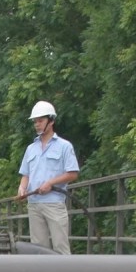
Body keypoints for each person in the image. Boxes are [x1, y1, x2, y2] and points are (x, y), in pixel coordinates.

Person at [17, 100, 80, 255]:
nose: (37, 124)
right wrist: (22, 188)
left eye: (40, 121)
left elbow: (73, 174)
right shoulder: (30, 149)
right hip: (34, 204)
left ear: (51, 121)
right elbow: (26, 174)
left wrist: (50, 183)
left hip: (54, 203)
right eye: (35, 121)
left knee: (60, 246)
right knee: (38, 249)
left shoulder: (64, 146)